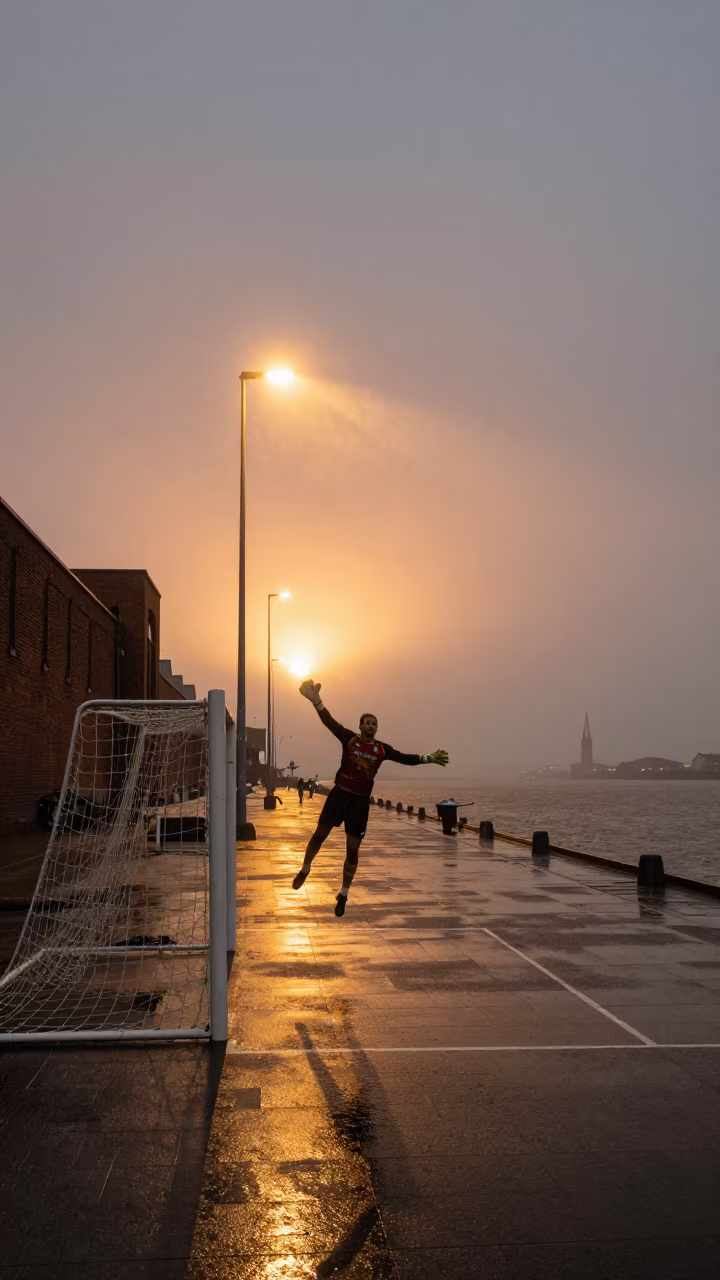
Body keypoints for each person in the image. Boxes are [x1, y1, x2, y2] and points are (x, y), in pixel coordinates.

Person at [292, 680, 448, 916]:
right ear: (360, 726)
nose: (370, 726)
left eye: (374, 724)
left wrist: (430, 758)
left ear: (376, 728)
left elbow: (405, 758)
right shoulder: (349, 738)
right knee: (318, 837)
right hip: (339, 796)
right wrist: (316, 701)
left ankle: (343, 893)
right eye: (367, 722)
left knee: (352, 851)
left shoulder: (382, 749)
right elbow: (329, 722)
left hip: (360, 803)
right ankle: (305, 869)